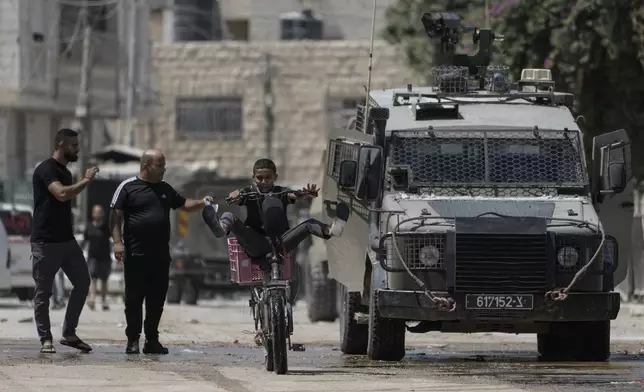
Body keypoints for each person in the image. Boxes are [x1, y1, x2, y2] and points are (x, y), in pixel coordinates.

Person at [109, 149, 212, 355]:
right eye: (160, 165)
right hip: (136, 254)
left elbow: (184, 204)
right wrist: (118, 243)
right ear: (146, 166)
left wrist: (202, 202)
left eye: (164, 165)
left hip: (160, 255)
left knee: (156, 299)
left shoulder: (165, 189)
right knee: (134, 299)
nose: (164, 169)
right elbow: (115, 217)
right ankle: (132, 340)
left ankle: (152, 340)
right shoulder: (128, 187)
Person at [31, 128, 99, 354]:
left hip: (67, 241)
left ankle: (69, 333)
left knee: (83, 282)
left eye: (77, 146)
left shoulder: (66, 172)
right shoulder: (45, 169)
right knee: (44, 293)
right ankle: (45, 339)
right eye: (73, 146)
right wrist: (87, 181)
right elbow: (61, 194)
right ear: (60, 143)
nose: (77, 149)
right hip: (45, 241)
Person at [203, 158, 350, 261]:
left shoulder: (281, 192)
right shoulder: (248, 193)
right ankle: (220, 229)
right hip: (256, 243)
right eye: (259, 178)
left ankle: (330, 230)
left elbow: (294, 194)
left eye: (268, 177)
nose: (264, 181)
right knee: (229, 215)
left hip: (281, 242)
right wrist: (235, 196)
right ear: (253, 178)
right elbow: (238, 197)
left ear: (275, 177)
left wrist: (306, 194)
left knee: (309, 223)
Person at [82, 204, 112, 311]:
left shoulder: (107, 227)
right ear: (93, 214)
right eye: (96, 212)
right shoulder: (89, 226)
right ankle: (92, 299)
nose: (98, 214)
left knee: (104, 280)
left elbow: (114, 237)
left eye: (100, 212)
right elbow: (85, 241)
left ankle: (103, 301)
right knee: (93, 278)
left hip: (105, 256)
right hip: (92, 257)